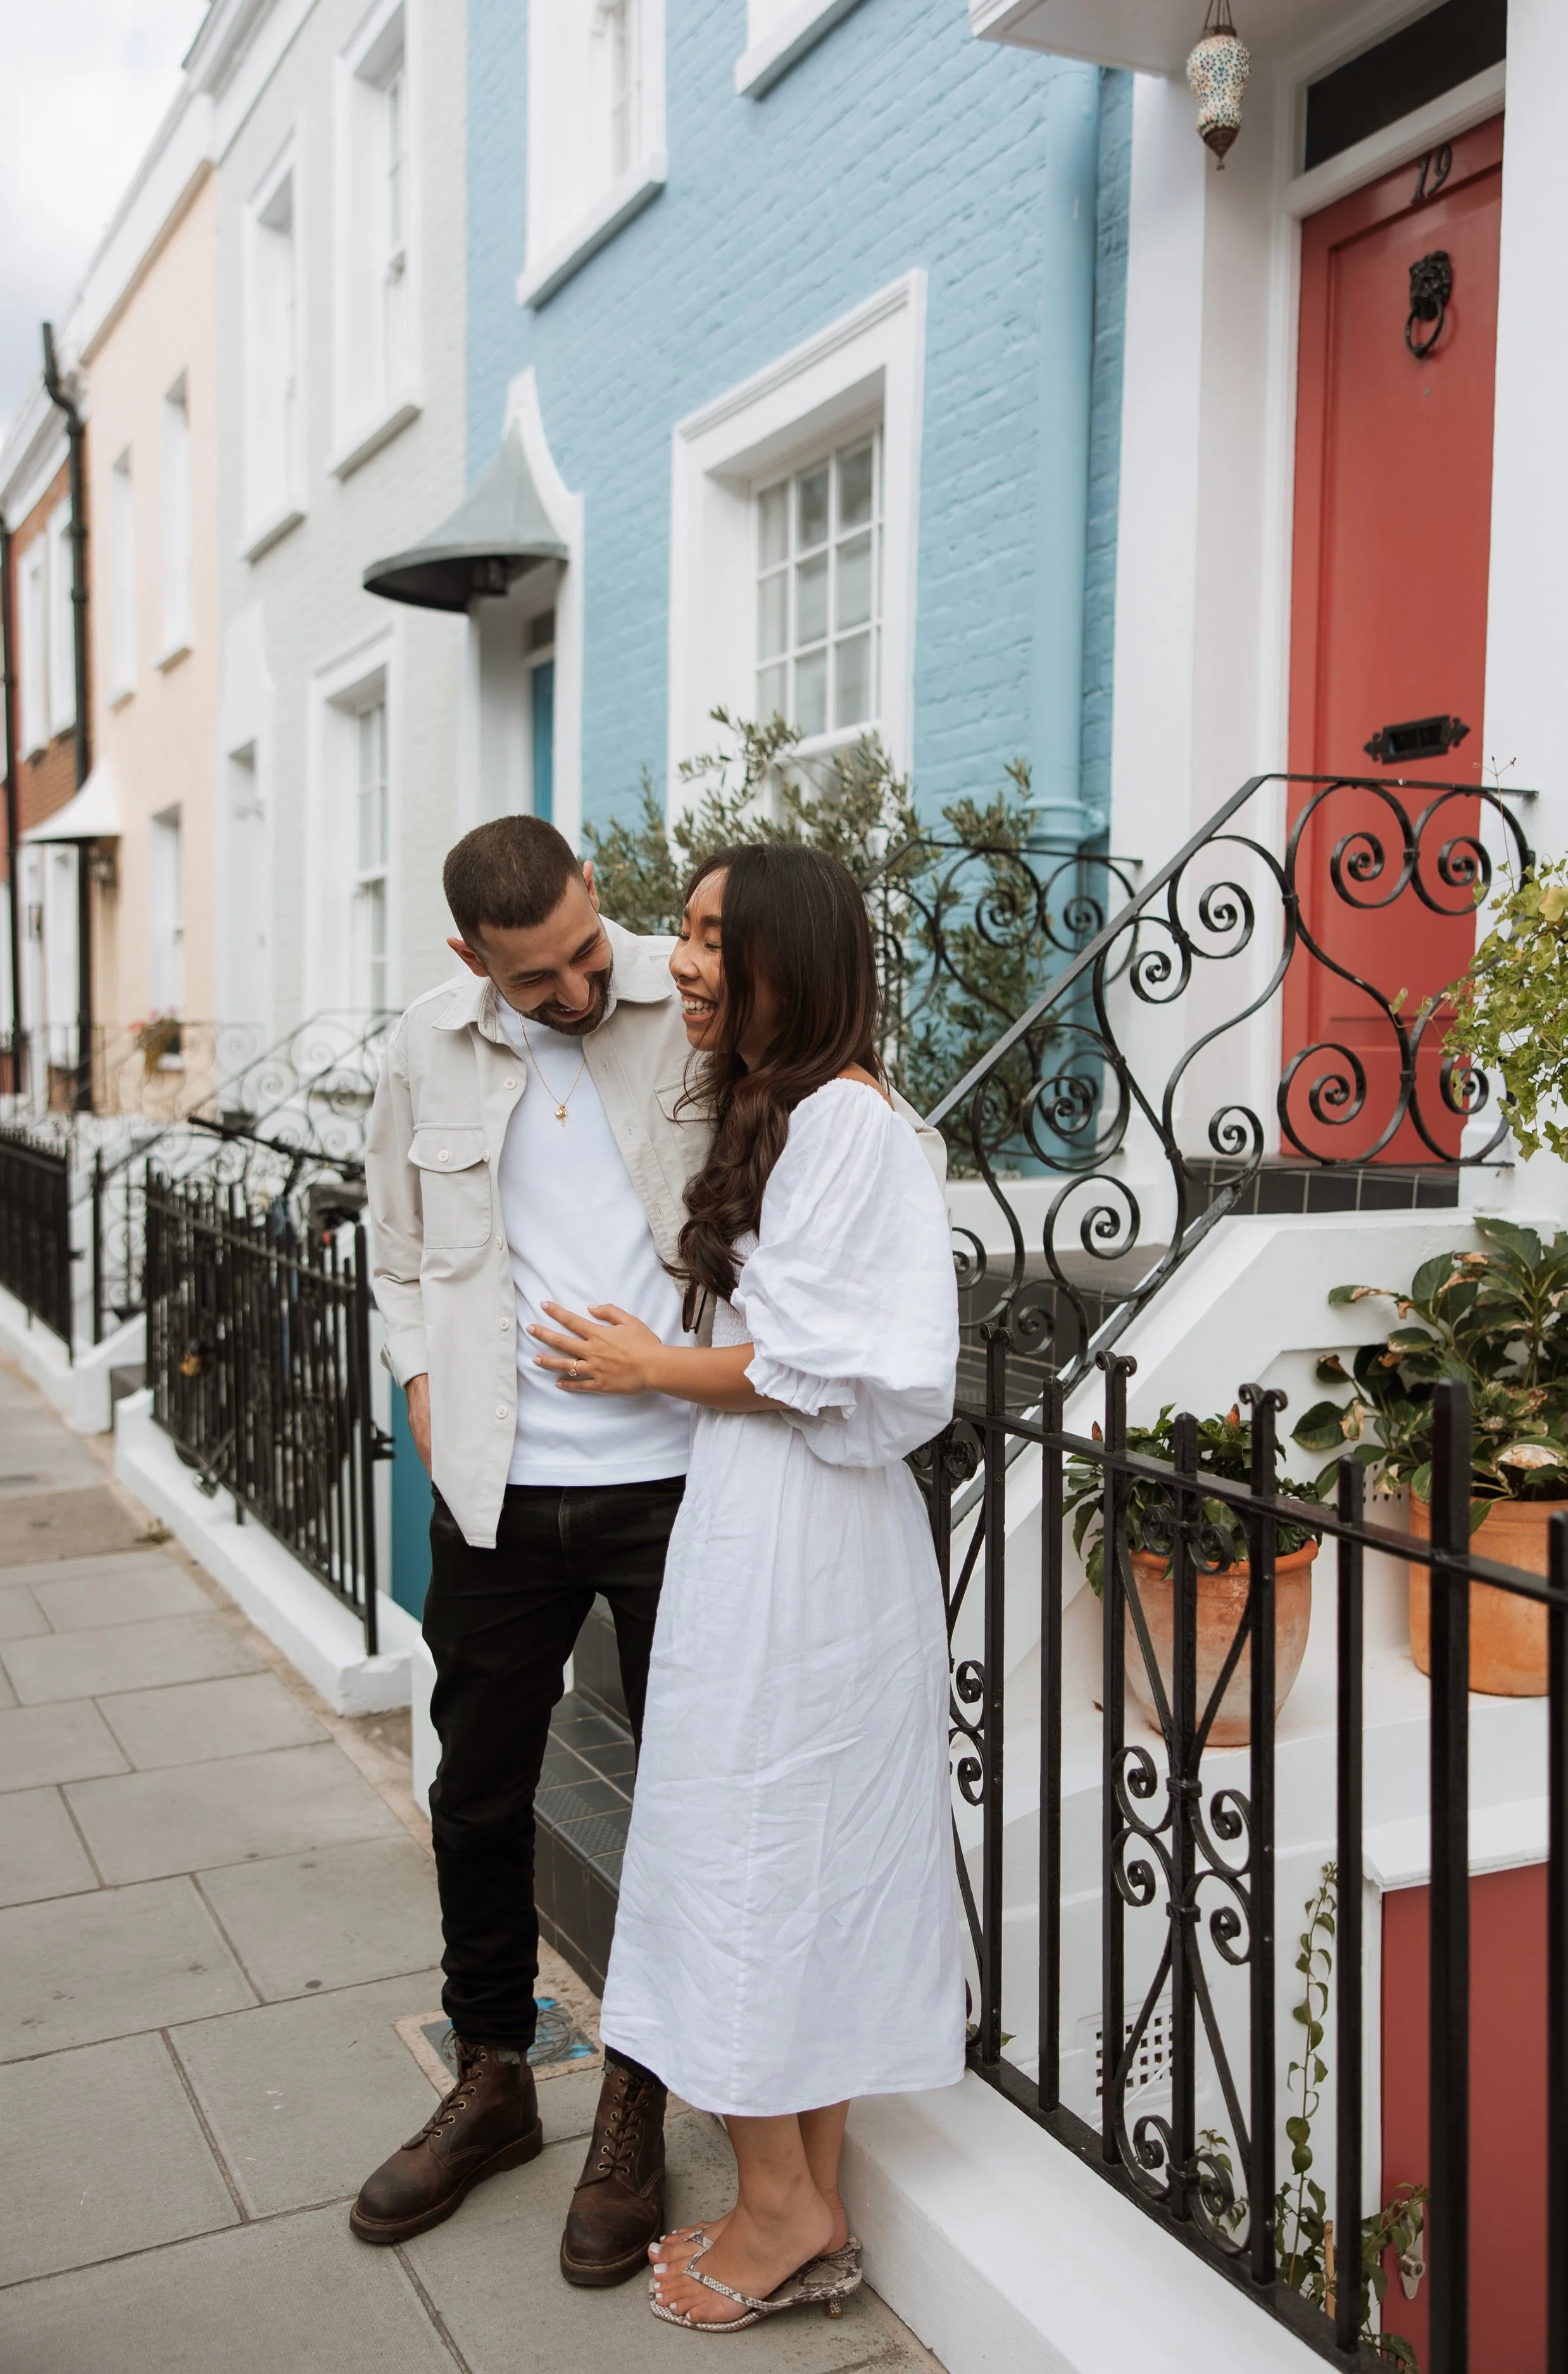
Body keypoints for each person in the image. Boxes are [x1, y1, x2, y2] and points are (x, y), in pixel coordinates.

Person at [527, 842, 967, 2331]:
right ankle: (802, 2200)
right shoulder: (782, 1111)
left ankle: (784, 2209)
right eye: (687, 933)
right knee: (788, 1847)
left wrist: (647, 1365)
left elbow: (843, 1367)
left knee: (760, 1841)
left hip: (804, 1547)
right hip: (769, 1524)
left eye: (715, 939)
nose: (684, 962)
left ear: (793, 956)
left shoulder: (848, 1126)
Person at [356, 815, 709, 2282]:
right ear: (468, 960)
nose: (576, 988)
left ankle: (638, 2099)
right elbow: (390, 1244)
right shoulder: (421, 1051)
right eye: (538, 976)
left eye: (585, 948)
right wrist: (425, 1390)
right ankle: (494, 2074)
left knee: (679, 1800)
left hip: (680, 1480)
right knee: (479, 1792)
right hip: (499, 1490)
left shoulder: (690, 1004)